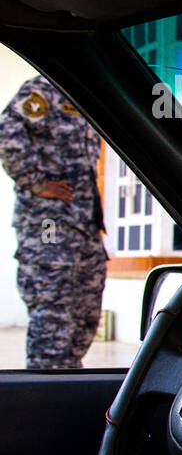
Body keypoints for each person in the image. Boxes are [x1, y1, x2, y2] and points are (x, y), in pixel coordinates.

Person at [0, 76, 108, 369]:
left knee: (85, 316)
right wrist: (36, 183)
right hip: (49, 224)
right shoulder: (44, 90)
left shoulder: (82, 95)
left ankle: (67, 380)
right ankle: (44, 392)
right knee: (53, 317)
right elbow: (7, 132)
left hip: (84, 225)